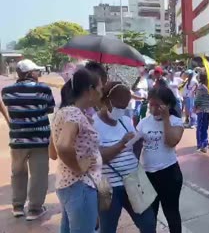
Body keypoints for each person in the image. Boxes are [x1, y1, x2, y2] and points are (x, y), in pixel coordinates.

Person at [93, 82, 156, 233]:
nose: (121, 110)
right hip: (106, 186)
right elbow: (98, 157)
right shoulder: (93, 124)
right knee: (107, 227)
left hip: (134, 180)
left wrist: (137, 142)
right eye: (118, 106)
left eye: (124, 106)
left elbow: (133, 148)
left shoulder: (126, 121)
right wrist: (121, 144)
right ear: (106, 101)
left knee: (148, 223)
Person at [1, 59, 55, 220]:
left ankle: (17, 207)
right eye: (37, 71)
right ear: (30, 73)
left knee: (18, 172)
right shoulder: (43, 89)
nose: (39, 73)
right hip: (40, 140)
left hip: (18, 140)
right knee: (39, 174)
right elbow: (50, 108)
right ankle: (34, 209)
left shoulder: (7, 91)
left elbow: (10, 108)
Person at [51, 68, 103, 233]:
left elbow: (52, 152)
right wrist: (78, 166)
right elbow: (63, 146)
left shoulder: (64, 113)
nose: (101, 94)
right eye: (100, 89)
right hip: (80, 186)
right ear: (90, 90)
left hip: (67, 184)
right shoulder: (74, 115)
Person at [136, 86, 184, 233]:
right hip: (147, 174)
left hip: (169, 173)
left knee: (171, 213)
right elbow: (135, 146)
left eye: (158, 105)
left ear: (168, 105)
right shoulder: (144, 122)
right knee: (149, 216)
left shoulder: (175, 121)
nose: (154, 109)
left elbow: (171, 141)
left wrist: (166, 119)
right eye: (151, 104)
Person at [194, 72, 209, 153]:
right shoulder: (201, 88)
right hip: (202, 110)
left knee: (204, 127)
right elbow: (197, 100)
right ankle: (201, 144)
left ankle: (205, 143)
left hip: (205, 110)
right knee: (201, 128)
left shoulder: (203, 87)